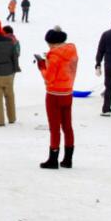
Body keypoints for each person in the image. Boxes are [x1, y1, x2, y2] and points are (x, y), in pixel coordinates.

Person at [37, 27, 78, 169]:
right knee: (67, 126)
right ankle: (68, 159)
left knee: (54, 127)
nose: (48, 47)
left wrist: (42, 66)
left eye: (49, 44)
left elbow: (49, 78)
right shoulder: (72, 51)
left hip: (54, 95)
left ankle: (53, 159)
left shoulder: (54, 56)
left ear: (53, 43)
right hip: (68, 93)